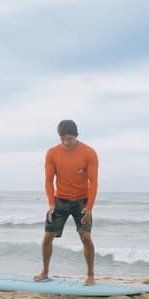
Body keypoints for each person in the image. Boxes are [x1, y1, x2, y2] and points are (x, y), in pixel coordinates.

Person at [34, 119, 100, 285]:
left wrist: (89, 207)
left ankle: (90, 275)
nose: (66, 142)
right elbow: (49, 181)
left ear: (76, 136)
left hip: (81, 201)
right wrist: (51, 204)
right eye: (62, 138)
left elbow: (93, 182)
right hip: (60, 200)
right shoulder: (52, 153)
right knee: (48, 236)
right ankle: (45, 271)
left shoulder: (89, 152)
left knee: (85, 236)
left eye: (69, 138)